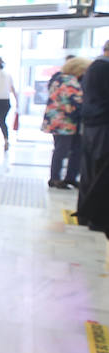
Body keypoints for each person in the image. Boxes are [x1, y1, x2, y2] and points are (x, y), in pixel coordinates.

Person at [43, 57, 90, 189]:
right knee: (63, 150)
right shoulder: (69, 81)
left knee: (69, 149)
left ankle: (65, 178)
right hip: (64, 122)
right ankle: (57, 178)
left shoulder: (59, 79)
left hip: (60, 121)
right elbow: (76, 102)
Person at [77, 45, 109, 230]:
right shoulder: (102, 67)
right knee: (97, 171)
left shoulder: (95, 67)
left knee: (92, 170)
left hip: (93, 124)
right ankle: (93, 217)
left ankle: (88, 215)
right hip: (100, 125)